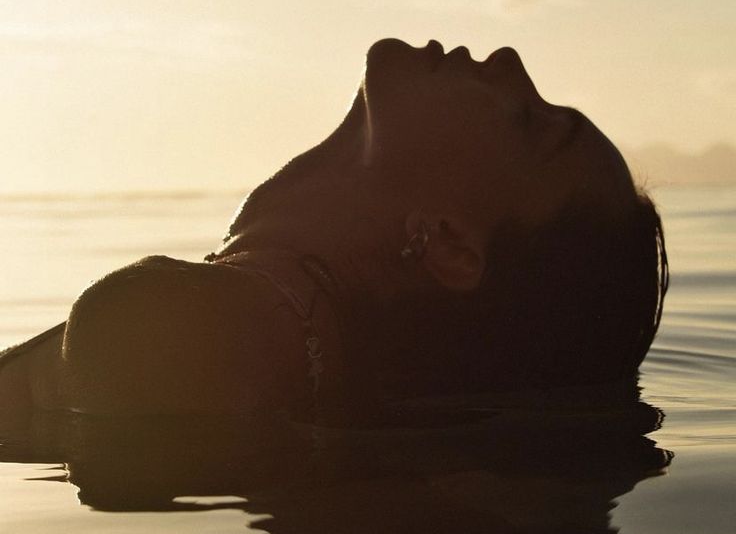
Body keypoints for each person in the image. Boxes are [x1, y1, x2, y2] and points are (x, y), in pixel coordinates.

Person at [0, 39, 668, 421]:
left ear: (449, 243)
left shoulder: (201, 331)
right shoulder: (276, 327)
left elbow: (129, 343)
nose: (510, 61)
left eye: (527, 121)